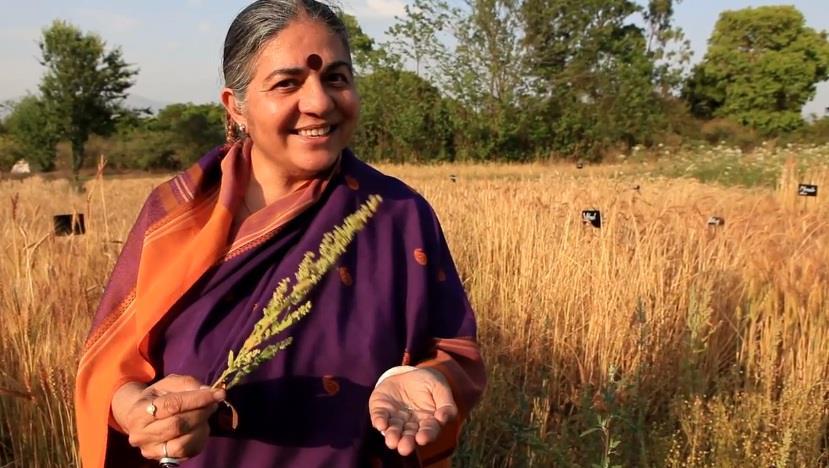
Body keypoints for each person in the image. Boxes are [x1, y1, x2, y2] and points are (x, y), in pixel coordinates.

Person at [74, 0, 485, 467]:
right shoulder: (177, 214)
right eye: (287, 83)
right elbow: (113, 370)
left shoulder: (397, 214)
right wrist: (141, 413)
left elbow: (456, 353)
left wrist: (431, 379)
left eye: (336, 78)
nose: (319, 102)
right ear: (237, 106)